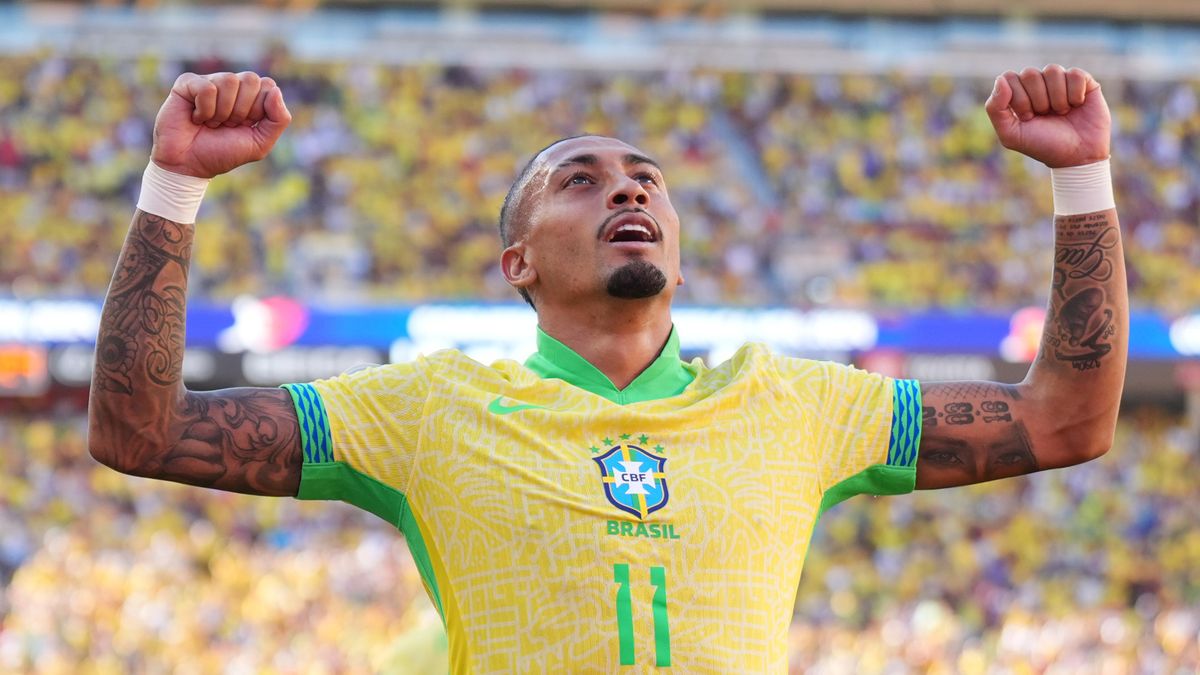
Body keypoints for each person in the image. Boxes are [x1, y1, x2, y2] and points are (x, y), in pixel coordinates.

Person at [88, 65, 1126, 672]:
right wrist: (175, 186)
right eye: (578, 182)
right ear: (519, 263)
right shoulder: (427, 409)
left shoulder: (795, 403)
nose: (627, 192)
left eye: (647, 181)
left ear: (675, 239)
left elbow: (1066, 418)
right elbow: (141, 433)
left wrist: (1081, 176)